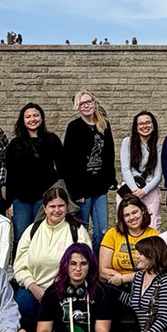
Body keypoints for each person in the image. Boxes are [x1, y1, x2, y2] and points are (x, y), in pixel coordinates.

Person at [13, 187, 85, 324]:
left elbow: (85, 264)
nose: (57, 210)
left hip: (66, 290)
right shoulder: (32, 230)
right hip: (34, 289)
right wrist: (33, 287)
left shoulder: (77, 231)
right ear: (44, 208)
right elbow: (19, 266)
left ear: (67, 206)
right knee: (22, 304)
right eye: (52, 206)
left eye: (61, 206)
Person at [63, 89, 116, 255]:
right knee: (82, 230)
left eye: (88, 102)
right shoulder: (74, 127)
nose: (86, 106)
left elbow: (109, 153)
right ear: (77, 107)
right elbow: (68, 161)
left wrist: (111, 178)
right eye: (81, 104)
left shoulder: (104, 125)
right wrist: (74, 190)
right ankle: (82, 261)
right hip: (82, 190)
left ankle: (97, 262)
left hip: (99, 188)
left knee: (102, 230)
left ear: (94, 103)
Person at [5, 102, 64, 243]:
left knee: (42, 236)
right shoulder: (15, 144)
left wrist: (58, 193)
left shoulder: (52, 140)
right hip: (21, 199)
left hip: (45, 197)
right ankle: (20, 259)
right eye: (28, 117)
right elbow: (11, 174)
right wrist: (9, 202)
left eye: (36, 115)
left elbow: (62, 168)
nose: (32, 119)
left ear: (42, 118)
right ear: (23, 120)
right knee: (21, 237)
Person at [98, 196, 158, 287]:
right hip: (115, 283)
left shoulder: (154, 236)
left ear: (142, 210)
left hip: (144, 286)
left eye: (134, 212)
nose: (132, 217)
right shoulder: (113, 234)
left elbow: (154, 270)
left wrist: (124, 278)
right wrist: (119, 279)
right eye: (127, 215)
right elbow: (103, 269)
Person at [119, 110, 163, 229]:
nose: (145, 126)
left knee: (152, 225)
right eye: (141, 124)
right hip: (130, 187)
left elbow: (158, 176)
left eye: (148, 122)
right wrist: (135, 190)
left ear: (153, 125)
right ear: (136, 127)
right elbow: (125, 169)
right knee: (128, 223)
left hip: (150, 189)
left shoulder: (158, 149)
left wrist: (144, 191)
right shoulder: (127, 142)